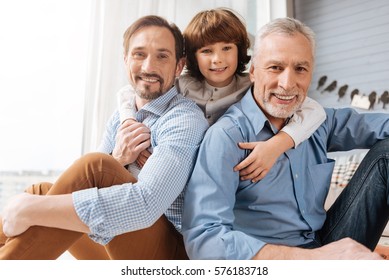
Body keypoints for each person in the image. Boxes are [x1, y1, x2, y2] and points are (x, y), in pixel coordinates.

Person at [0, 15, 208, 260]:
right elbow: (83, 184)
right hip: (119, 242)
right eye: (139, 54)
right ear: (126, 59)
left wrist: (30, 210)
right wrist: (117, 159)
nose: (148, 67)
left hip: (168, 253)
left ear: (178, 66)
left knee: (95, 167)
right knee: (39, 192)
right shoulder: (119, 116)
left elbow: (145, 206)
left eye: (162, 56)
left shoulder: (184, 117)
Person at [182, 17, 389, 260]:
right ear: (253, 72)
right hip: (273, 262)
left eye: (300, 69)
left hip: (323, 242)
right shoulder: (227, 136)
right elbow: (204, 239)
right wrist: (314, 261)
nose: (288, 84)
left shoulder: (319, 121)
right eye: (275, 68)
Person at [119, 8, 326, 182]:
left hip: (225, 173)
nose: (217, 59)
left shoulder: (252, 83)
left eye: (227, 48)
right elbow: (128, 92)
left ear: (240, 50)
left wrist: (277, 145)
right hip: (177, 171)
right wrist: (128, 121)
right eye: (207, 51)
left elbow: (314, 109)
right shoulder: (182, 84)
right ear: (192, 57)